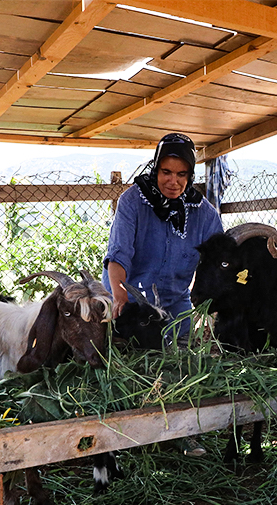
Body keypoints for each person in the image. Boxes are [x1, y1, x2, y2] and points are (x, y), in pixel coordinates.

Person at [102, 132, 223, 456]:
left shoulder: (205, 215)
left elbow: (218, 264)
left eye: (181, 174)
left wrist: (213, 306)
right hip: (132, 298)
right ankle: (121, 436)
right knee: (128, 367)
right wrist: (118, 297)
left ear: (190, 175)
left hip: (175, 300)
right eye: (166, 172)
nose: (173, 181)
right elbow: (118, 257)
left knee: (184, 367)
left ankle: (184, 432)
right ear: (156, 170)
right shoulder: (133, 202)